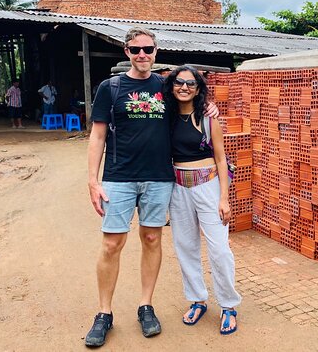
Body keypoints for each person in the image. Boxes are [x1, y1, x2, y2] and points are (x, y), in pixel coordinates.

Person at [84, 27, 218, 347]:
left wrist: (209, 106)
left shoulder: (166, 86)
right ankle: (104, 313)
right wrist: (93, 180)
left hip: (159, 177)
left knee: (151, 238)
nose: (142, 54)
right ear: (126, 52)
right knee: (112, 244)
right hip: (118, 177)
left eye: (147, 49)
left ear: (156, 51)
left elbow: (192, 98)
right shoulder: (110, 87)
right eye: (135, 49)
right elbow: (98, 135)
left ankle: (146, 305)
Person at [163, 65, 241, 335]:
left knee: (219, 249)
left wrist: (224, 198)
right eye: (179, 83)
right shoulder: (166, 117)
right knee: (186, 247)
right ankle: (198, 299)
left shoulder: (208, 118)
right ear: (172, 86)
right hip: (178, 188)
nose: (184, 88)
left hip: (207, 186)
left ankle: (229, 305)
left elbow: (221, 159)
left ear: (198, 90)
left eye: (190, 84)